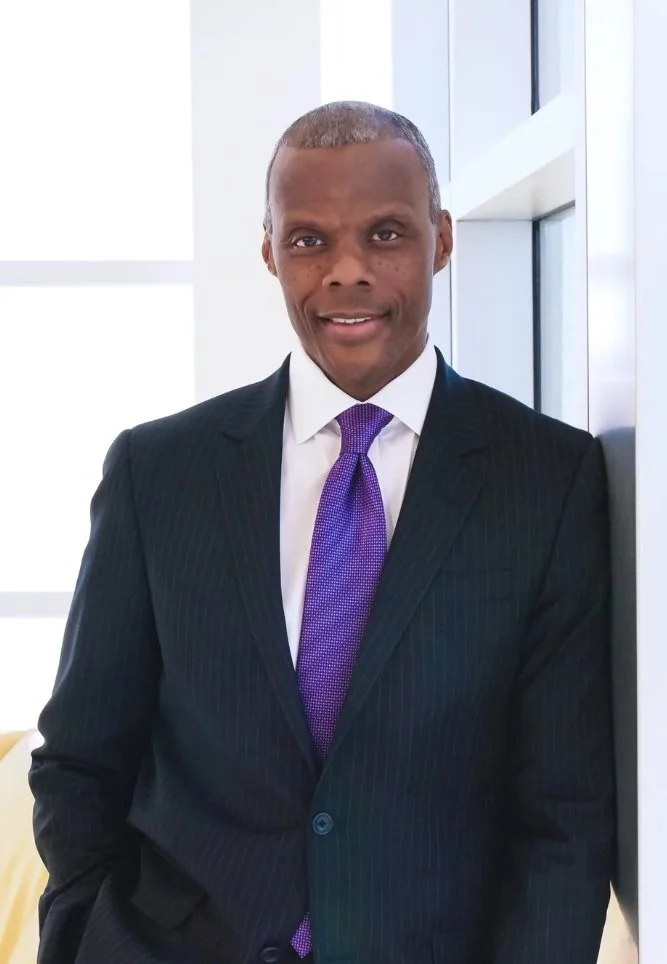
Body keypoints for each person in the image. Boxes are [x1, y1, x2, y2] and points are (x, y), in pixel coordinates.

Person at [30, 101, 615, 964]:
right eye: (309, 240)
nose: (347, 271)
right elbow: (81, 759)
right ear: (270, 249)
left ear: (442, 239)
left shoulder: (548, 481)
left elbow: (563, 815)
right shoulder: (158, 474)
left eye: (386, 234)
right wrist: (82, 935)